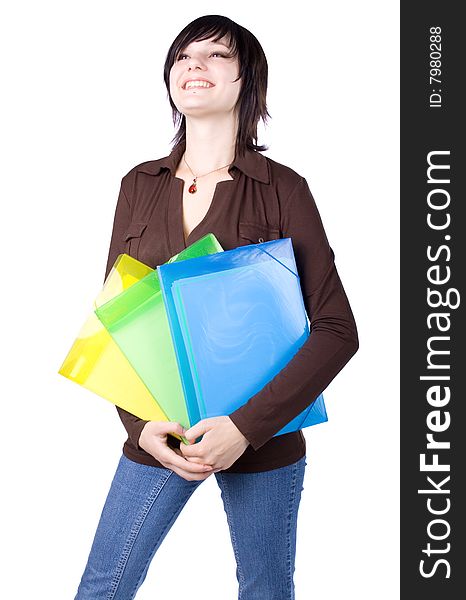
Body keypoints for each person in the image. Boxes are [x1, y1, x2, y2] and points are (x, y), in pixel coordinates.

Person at [74, 14, 359, 599]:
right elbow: (119, 317)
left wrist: (244, 428)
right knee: (103, 588)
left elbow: (336, 329)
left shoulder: (283, 188)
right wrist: (139, 426)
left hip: (264, 436)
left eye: (217, 56)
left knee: (264, 592)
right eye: (184, 56)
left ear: (246, 82)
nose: (195, 65)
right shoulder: (138, 185)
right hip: (162, 431)